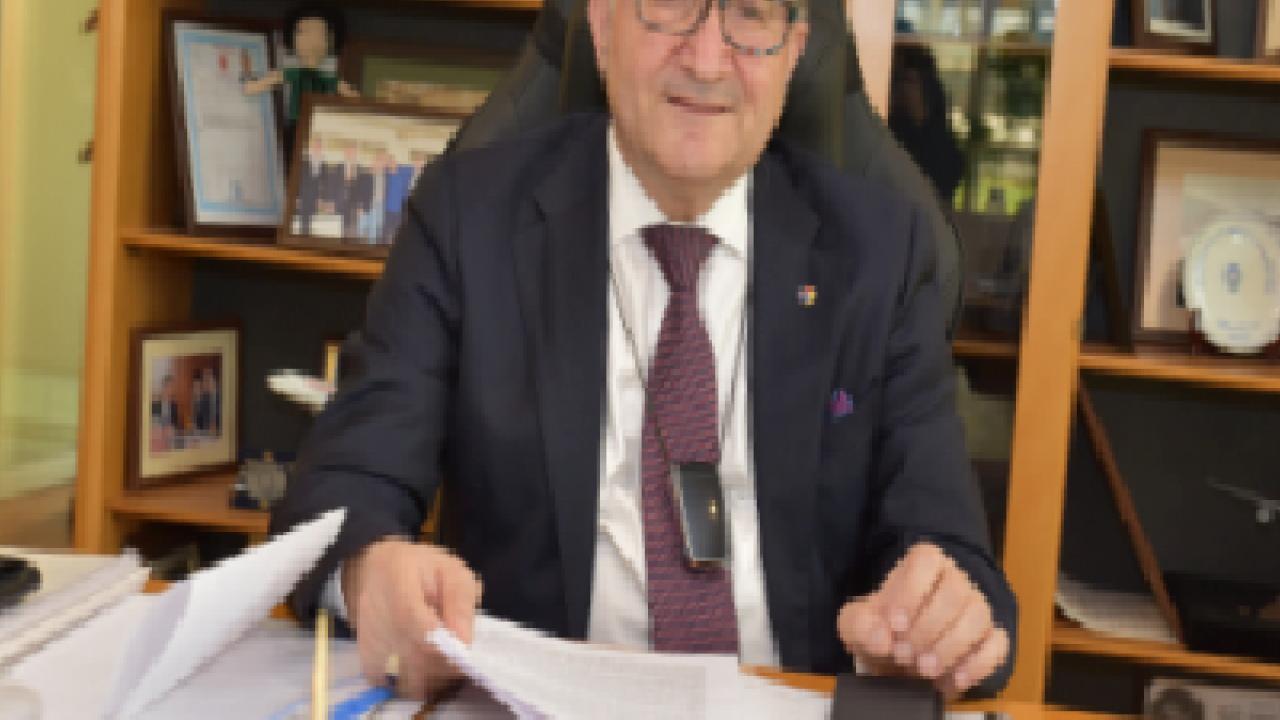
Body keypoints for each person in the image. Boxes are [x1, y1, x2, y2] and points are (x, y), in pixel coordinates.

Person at [271, 0, 1016, 703]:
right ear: (600, 24)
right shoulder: (468, 217)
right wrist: (368, 572)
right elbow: (342, 487)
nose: (707, 59)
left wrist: (940, 619)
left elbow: (952, 552)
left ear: (794, 52)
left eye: (749, 14)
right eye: (670, 5)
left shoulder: (880, 252)